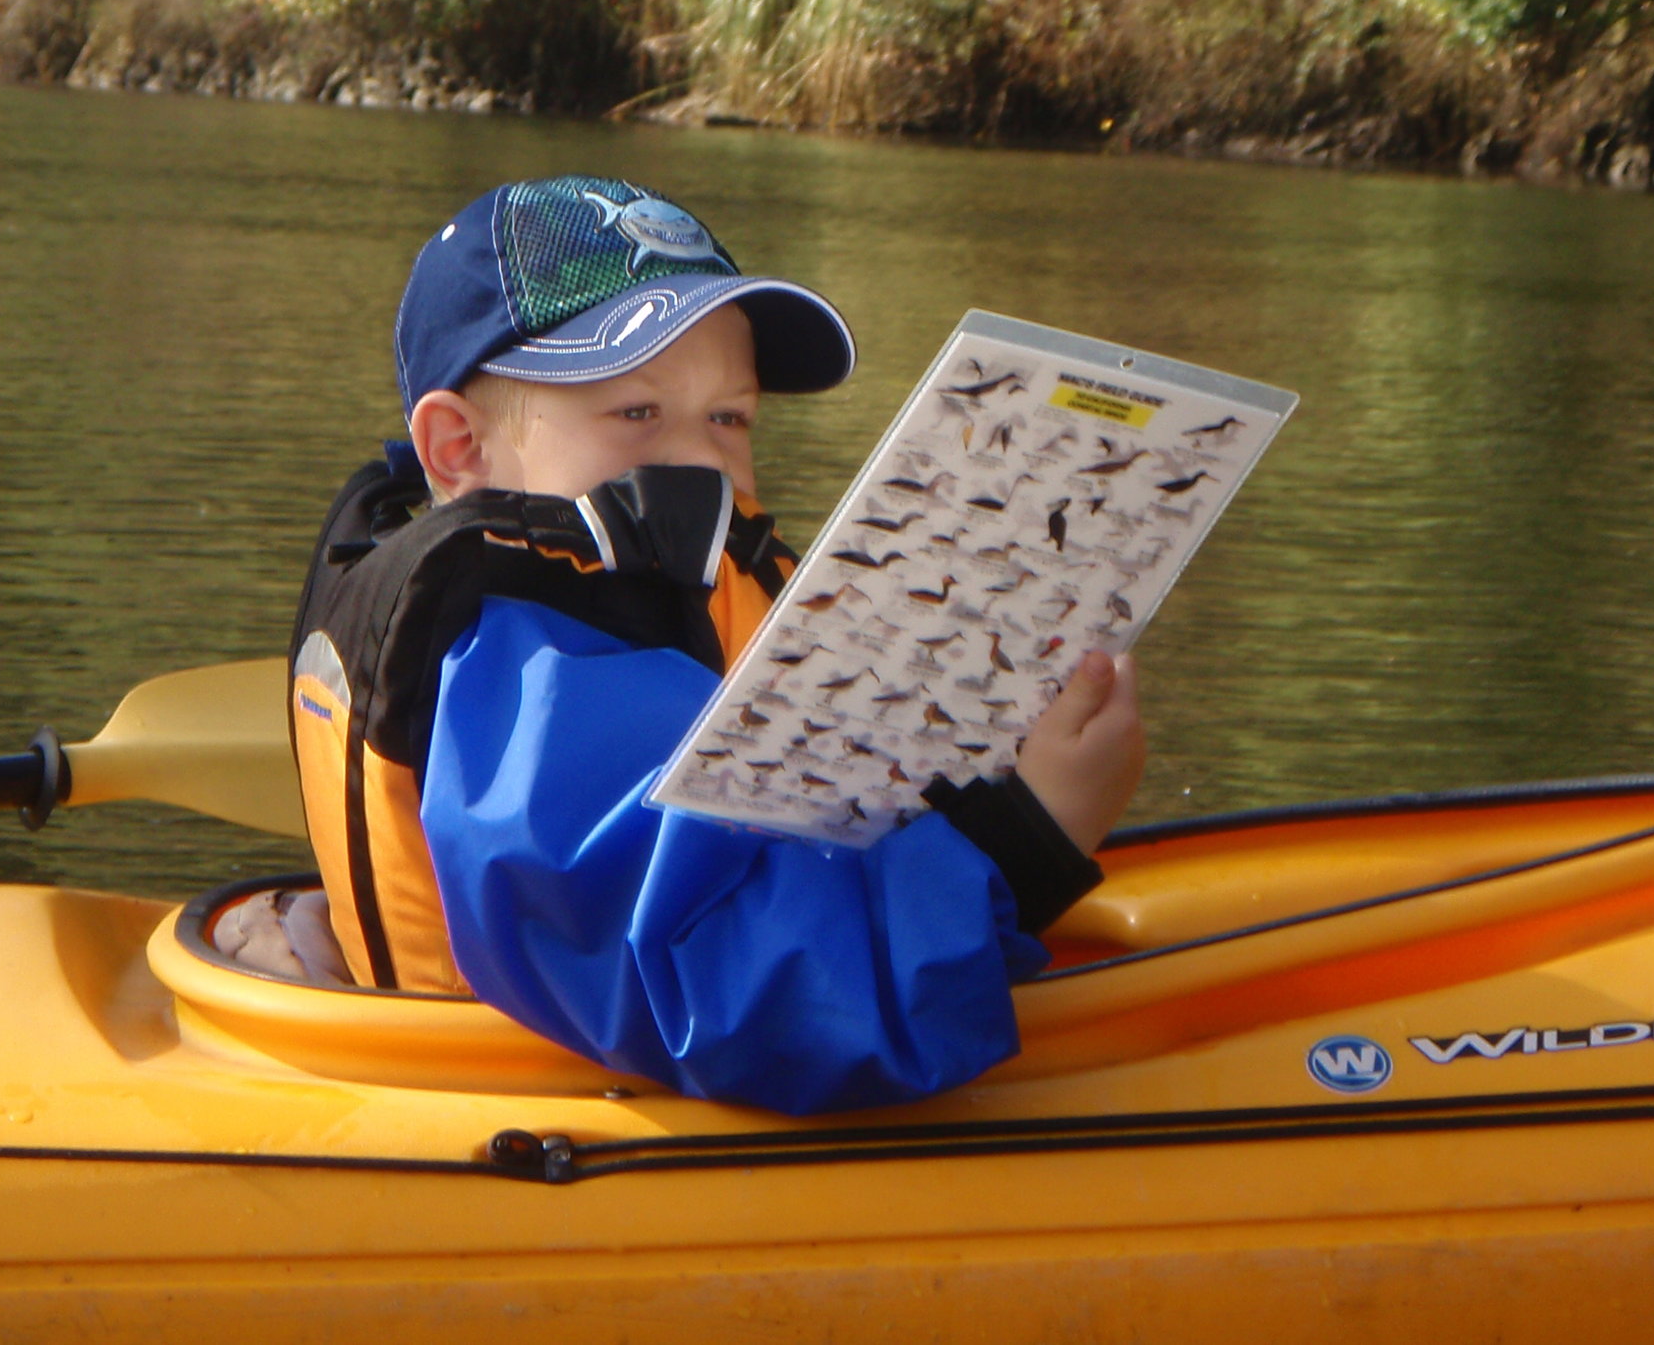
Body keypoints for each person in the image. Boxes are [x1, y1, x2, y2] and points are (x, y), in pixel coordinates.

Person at [287, 175, 1144, 1115]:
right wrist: (1026, 847)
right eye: (637, 413)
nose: (698, 458)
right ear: (459, 450)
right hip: (549, 1112)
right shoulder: (528, 658)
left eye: (728, 417)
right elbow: (721, 995)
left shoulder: (681, 571)